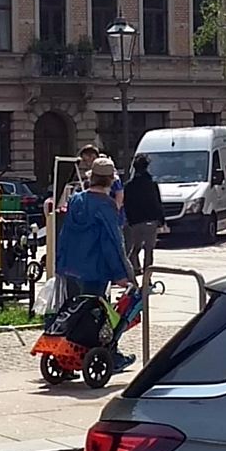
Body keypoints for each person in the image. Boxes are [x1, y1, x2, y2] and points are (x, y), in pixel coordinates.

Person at [55, 157, 135, 366]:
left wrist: (61, 262)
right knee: (97, 314)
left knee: (73, 311)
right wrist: (121, 274)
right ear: (110, 181)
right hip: (95, 269)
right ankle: (108, 355)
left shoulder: (76, 200)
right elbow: (111, 243)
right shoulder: (106, 206)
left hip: (72, 266)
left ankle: (67, 351)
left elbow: (66, 235)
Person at [122, 154, 164, 276]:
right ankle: (147, 276)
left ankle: (135, 268)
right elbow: (157, 202)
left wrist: (129, 220)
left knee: (135, 248)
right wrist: (161, 219)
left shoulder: (129, 186)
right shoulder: (151, 184)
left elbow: (127, 204)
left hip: (135, 221)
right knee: (149, 250)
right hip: (151, 220)